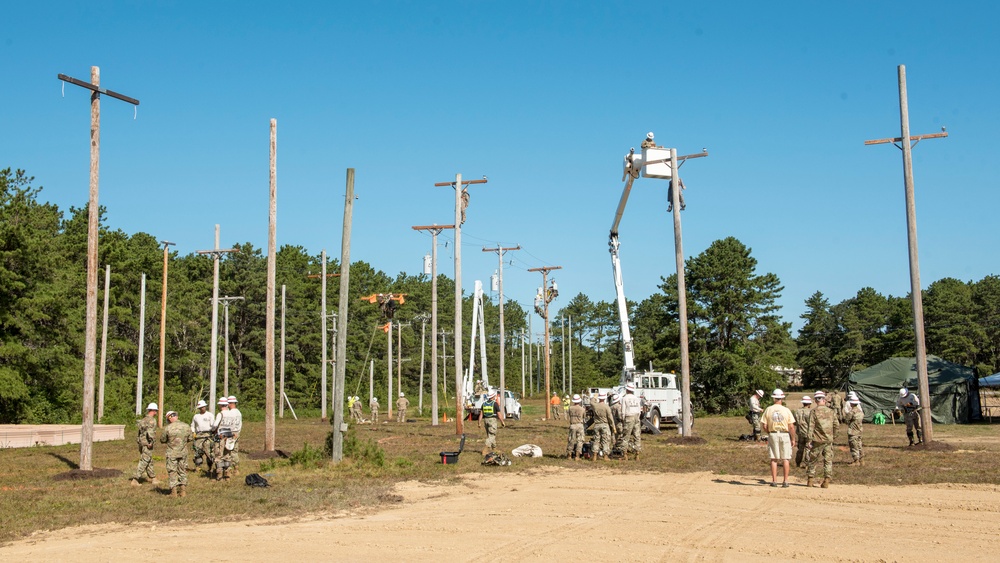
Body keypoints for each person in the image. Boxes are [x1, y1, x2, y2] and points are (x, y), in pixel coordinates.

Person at [761, 389, 797, 488]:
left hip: (773, 433)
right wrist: (793, 439)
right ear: (782, 398)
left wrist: (769, 432)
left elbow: (764, 425)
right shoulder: (786, 410)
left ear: (773, 398)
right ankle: (785, 481)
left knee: (774, 458)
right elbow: (791, 427)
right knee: (785, 458)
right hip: (785, 434)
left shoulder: (769, 409)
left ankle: (774, 480)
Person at [807, 391, 840, 488]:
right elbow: (836, 425)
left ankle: (810, 479)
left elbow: (810, 427)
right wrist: (834, 436)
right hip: (828, 440)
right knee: (828, 460)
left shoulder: (813, 412)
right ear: (824, 400)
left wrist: (809, 440)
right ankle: (826, 480)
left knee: (813, 459)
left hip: (817, 440)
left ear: (815, 400)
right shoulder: (831, 411)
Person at [160, 410, 191, 497]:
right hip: (183, 452)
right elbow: (190, 438)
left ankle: (173, 492)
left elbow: (162, 439)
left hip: (171, 453)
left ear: (169, 418)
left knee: (172, 471)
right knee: (182, 470)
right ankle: (183, 491)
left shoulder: (168, 428)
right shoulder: (186, 426)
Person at [130, 403, 159, 486]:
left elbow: (139, 432)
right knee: (144, 461)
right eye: (156, 411)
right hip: (147, 443)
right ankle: (135, 479)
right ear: (153, 411)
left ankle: (153, 478)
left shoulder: (143, 420)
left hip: (141, 442)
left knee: (149, 460)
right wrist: (151, 442)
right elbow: (150, 432)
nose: (156, 412)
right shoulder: (152, 420)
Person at [190, 399, 214, 476]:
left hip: (208, 435)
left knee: (209, 453)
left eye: (204, 407)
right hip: (199, 435)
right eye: (201, 407)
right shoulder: (196, 416)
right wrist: (193, 432)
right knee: (198, 452)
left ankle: (210, 468)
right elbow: (192, 425)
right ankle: (198, 467)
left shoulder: (210, 415)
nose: (203, 408)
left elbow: (213, 425)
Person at [591, 392, 616, 461]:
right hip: (604, 425)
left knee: (596, 440)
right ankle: (605, 456)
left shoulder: (595, 406)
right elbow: (610, 417)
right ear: (605, 398)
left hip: (597, 424)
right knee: (605, 441)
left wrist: (594, 397)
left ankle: (594, 456)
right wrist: (613, 426)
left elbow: (591, 402)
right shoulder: (606, 407)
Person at [621, 383, 643, 460]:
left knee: (626, 436)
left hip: (629, 417)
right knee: (637, 436)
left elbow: (623, 411)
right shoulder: (636, 398)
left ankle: (625, 454)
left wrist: (623, 419)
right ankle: (637, 454)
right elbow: (639, 410)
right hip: (636, 416)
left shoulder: (625, 398)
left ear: (627, 390)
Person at [794, 395, 813, 468]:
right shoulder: (810, 412)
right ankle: (807, 464)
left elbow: (795, 422)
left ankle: (798, 463)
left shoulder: (797, 411)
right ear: (809, 404)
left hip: (800, 433)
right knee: (808, 449)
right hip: (808, 433)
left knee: (800, 449)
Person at [846, 394, 864, 465]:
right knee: (859, 445)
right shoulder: (860, 411)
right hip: (859, 430)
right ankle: (862, 460)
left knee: (853, 446)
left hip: (853, 431)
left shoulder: (852, 412)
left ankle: (856, 461)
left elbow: (847, 419)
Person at [566, 394, 586, 460]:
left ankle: (569, 455)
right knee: (580, 440)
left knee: (571, 440)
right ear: (579, 401)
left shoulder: (570, 408)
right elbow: (584, 417)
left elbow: (568, 415)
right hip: (580, 425)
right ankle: (577, 456)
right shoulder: (582, 409)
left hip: (572, 425)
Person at [227, 396, 242, 475]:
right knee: (235, 451)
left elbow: (228, 424)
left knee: (228, 451)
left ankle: (229, 469)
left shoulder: (230, 413)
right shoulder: (238, 412)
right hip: (237, 432)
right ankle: (236, 468)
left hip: (230, 433)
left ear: (230, 403)